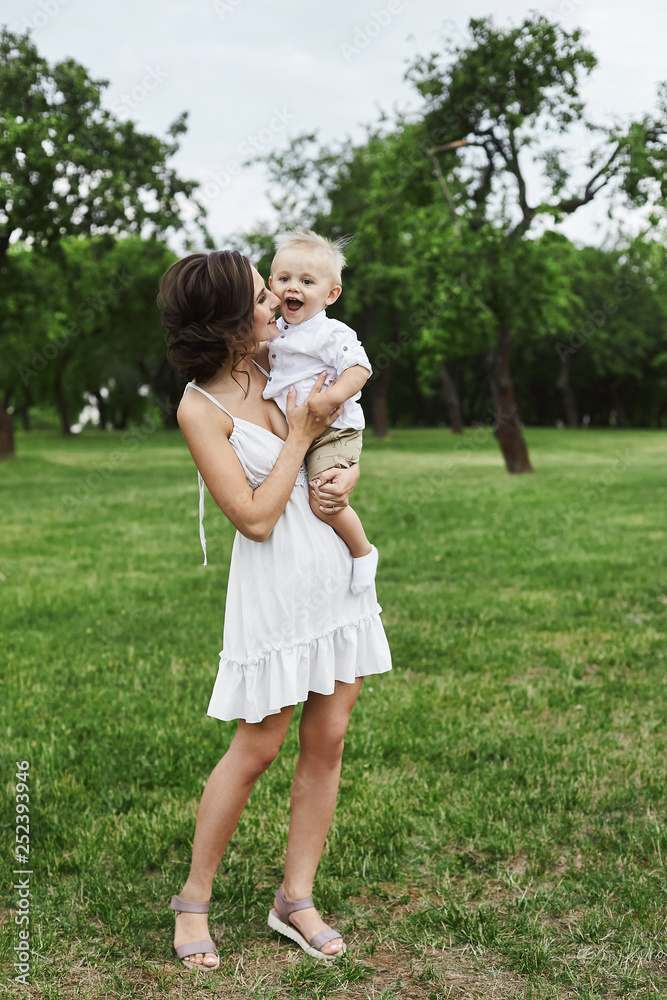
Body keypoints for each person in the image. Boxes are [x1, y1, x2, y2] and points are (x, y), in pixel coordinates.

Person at [157, 249, 392, 970]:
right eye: (261, 296)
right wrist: (295, 436)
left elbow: (342, 434)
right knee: (257, 745)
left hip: (331, 572)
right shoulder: (201, 407)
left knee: (329, 738)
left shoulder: (289, 359)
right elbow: (254, 518)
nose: (276, 302)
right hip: (274, 583)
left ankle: (295, 897)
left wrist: (343, 476)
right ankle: (193, 902)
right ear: (229, 319)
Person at [265, 229, 378, 595]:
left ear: (331, 294)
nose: (293, 288)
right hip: (299, 430)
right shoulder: (276, 330)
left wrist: (332, 398)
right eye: (285, 279)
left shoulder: (330, 333)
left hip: (333, 429)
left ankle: (363, 551)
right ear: (271, 285)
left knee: (323, 499)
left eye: (307, 281)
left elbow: (359, 368)